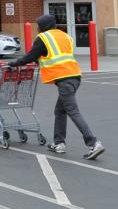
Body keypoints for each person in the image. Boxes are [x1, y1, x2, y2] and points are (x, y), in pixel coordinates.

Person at [9, 13, 105, 160]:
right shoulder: (64, 36)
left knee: (72, 111)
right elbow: (52, 55)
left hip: (64, 79)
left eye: (38, 26)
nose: (37, 29)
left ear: (43, 26)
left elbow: (30, 56)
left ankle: (93, 143)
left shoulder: (43, 38)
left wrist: (13, 63)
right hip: (74, 76)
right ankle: (59, 143)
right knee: (60, 110)